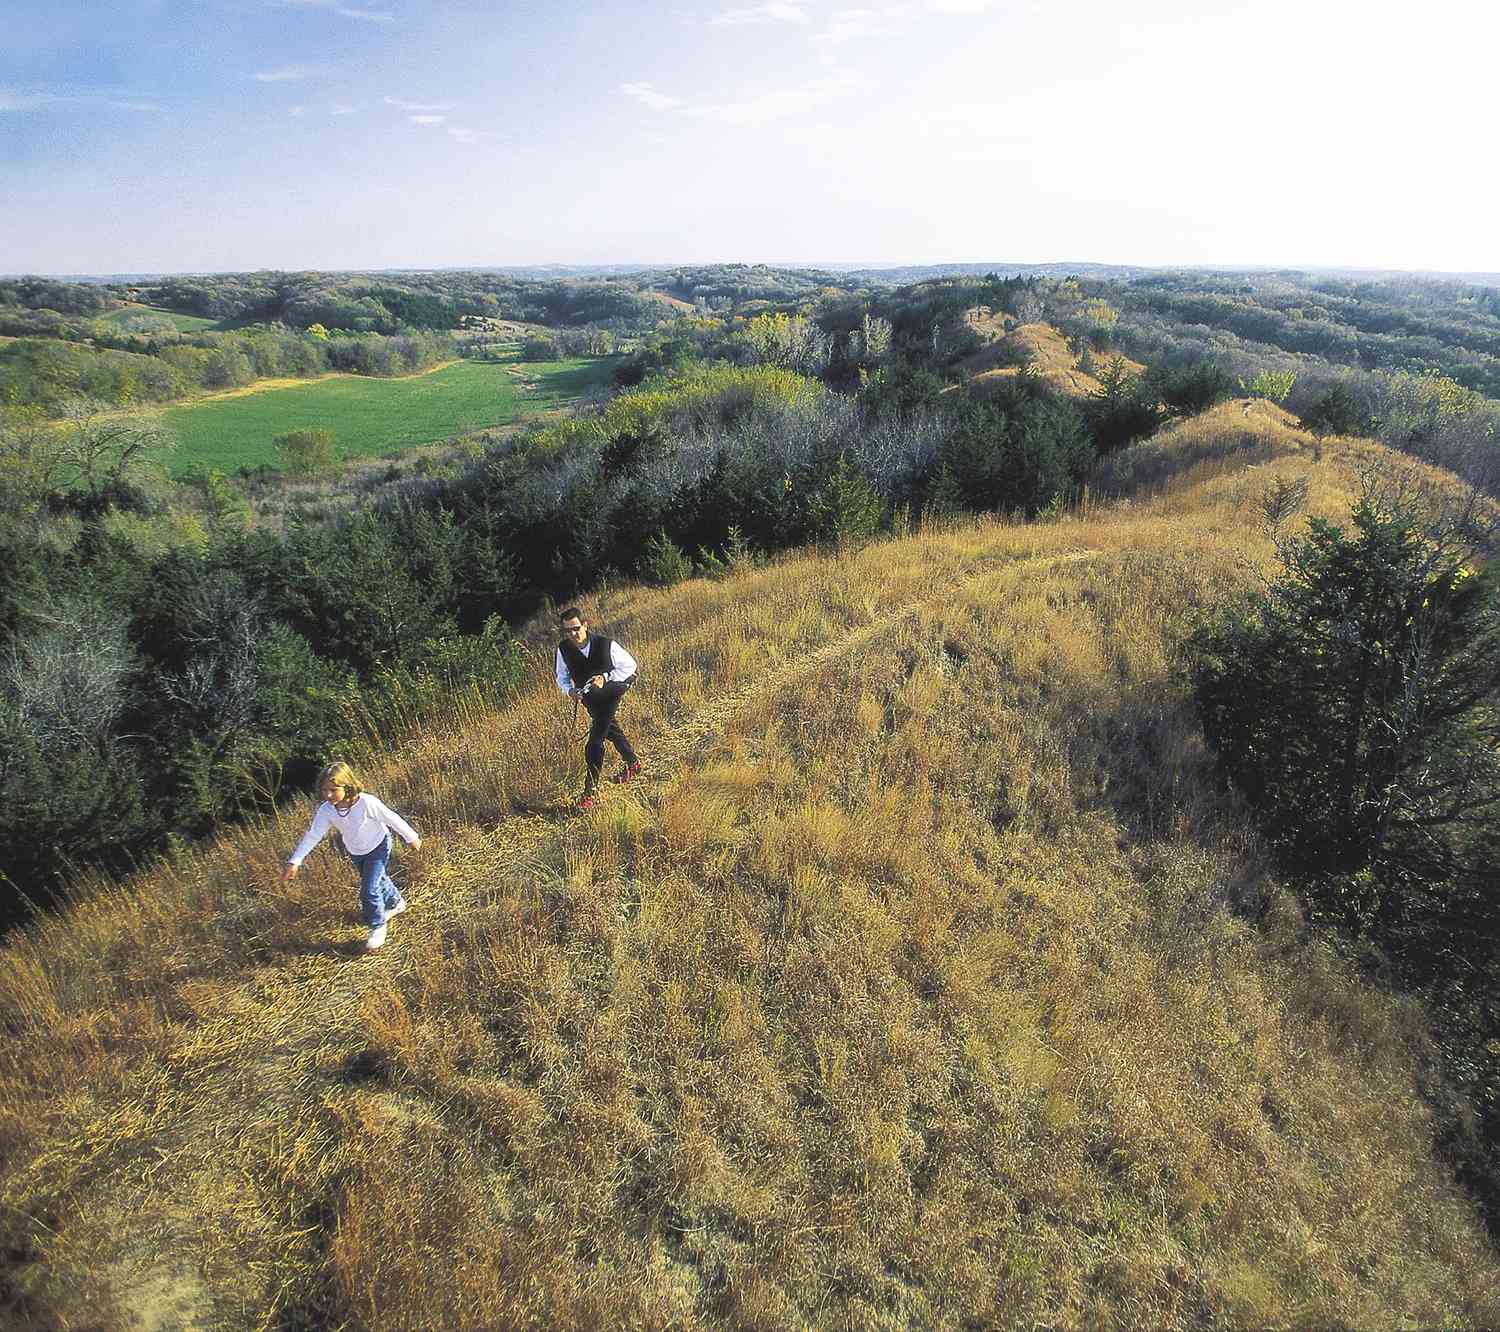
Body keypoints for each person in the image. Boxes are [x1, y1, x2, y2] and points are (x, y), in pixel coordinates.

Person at [281, 761, 422, 951]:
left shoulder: (366, 802)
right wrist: (295, 861)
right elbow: (314, 835)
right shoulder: (327, 810)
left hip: (378, 846)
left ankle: (377, 926)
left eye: (333, 789)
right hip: (356, 851)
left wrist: (411, 837)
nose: (328, 795)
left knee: (368, 889)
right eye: (324, 790)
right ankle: (396, 903)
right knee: (378, 880)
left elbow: (391, 818)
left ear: (347, 786)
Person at [555, 606, 641, 810]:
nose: (572, 634)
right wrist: (569, 691)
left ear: (585, 625)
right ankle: (633, 763)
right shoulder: (563, 649)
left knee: (595, 742)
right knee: (609, 728)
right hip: (589, 697)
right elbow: (561, 676)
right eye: (567, 631)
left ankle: (589, 794)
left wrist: (607, 677)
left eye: (575, 628)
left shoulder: (606, 644)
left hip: (612, 690)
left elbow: (631, 666)